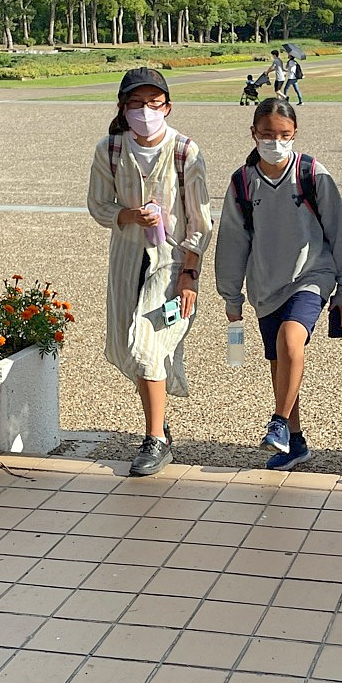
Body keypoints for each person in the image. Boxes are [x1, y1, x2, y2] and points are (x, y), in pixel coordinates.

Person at [214, 98, 342, 470]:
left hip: (312, 275)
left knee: (290, 338)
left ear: (295, 134)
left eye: (284, 135)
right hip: (266, 285)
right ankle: (294, 440)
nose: (275, 142)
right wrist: (231, 295)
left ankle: (278, 421)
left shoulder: (311, 174)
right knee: (279, 361)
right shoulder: (243, 182)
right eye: (267, 135)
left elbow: (340, 230)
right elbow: (233, 240)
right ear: (253, 134)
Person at [87, 68, 214, 476]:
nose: (146, 112)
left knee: (147, 345)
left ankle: (155, 439)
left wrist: (190, 274)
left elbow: (200, 220)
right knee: (127, 346)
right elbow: (98, 205)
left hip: (170, 262)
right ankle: (159, 423)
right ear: (123, 108)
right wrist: (128, 214)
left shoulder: (185, 151)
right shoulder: (110, 149)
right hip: (127, 260)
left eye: (154, 103)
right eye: (137, 103)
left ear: (168, 107)